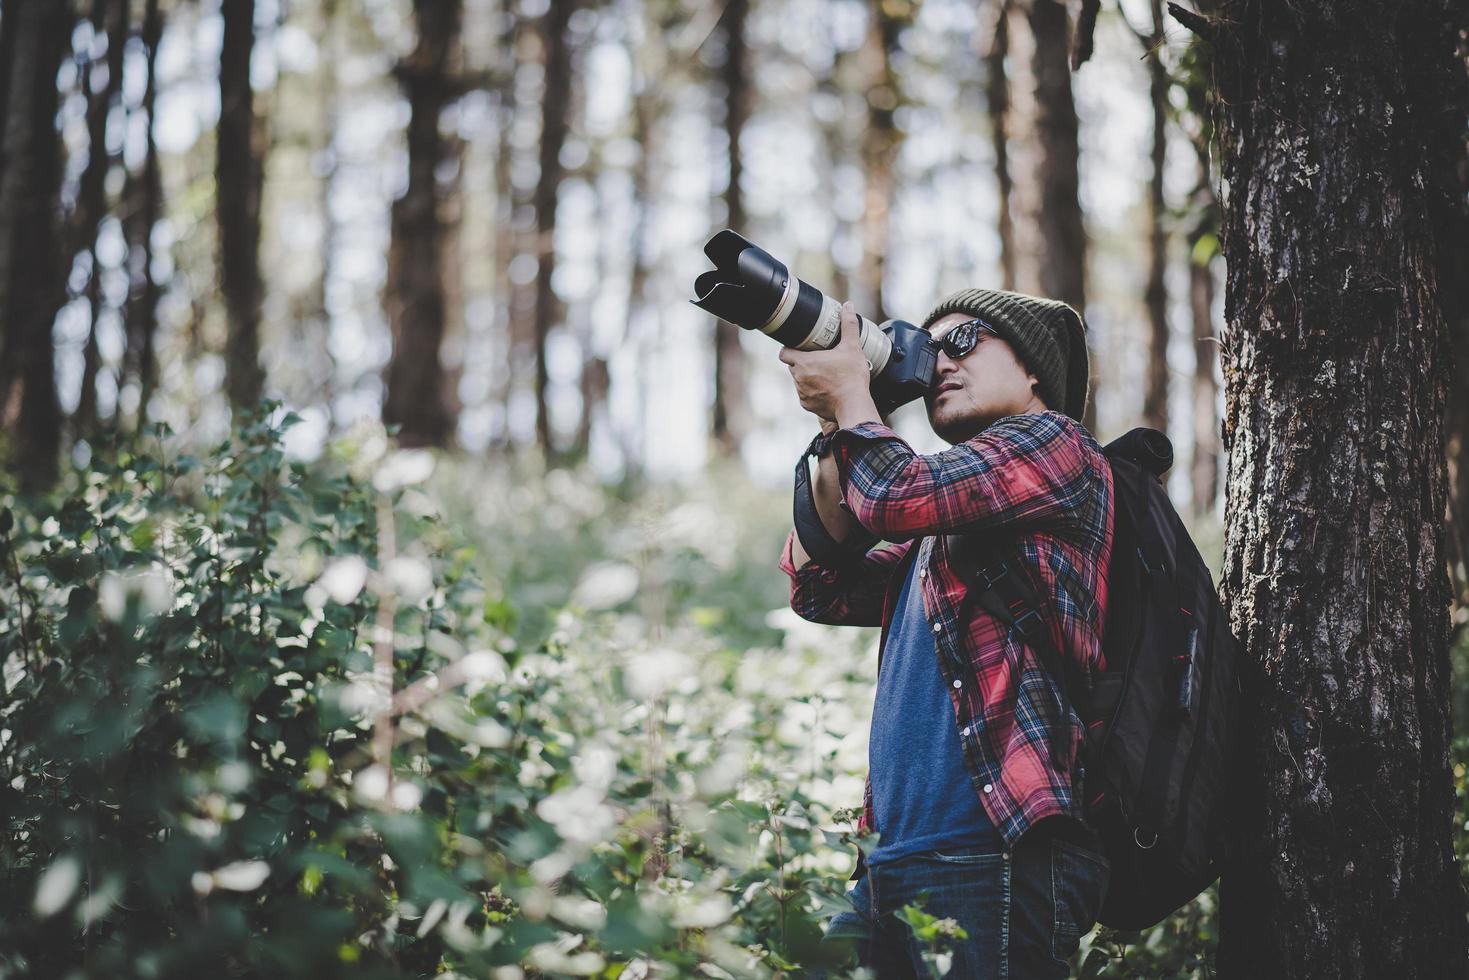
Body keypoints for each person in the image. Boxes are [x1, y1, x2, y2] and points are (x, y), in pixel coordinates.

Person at [776, 289, 1114, 978]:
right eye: (929, 352)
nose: (940, 365)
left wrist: (851, 401)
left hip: (996, 848)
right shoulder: (949, 523)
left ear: (1033, 371)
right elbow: (821, 586)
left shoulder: (1056, 444)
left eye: (964, 342)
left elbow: (896, 495)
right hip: (895, 852)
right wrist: (832, 428)